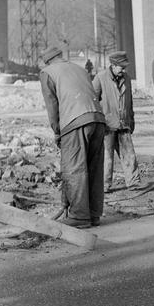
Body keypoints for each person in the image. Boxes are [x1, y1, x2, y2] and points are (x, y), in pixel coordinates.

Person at [39, 45, 105, 228]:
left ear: (47, 61)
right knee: (94, 169)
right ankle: (93, 214)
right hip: (98, 119)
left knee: (74, 169)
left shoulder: (47, 72)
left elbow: (52, 105)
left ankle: (79, 217)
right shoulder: (80, 69)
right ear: (61, 56)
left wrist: (57, 131)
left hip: (75, 122)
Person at [92, 51, 144, 192]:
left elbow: (129, 100)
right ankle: (104, 185)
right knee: (106, 157)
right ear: (113, 65)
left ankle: (133, 182)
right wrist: (97, 122)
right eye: (121, 67)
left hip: (123, 122)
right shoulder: (100, 78)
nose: (124, 70)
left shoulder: (126, 78)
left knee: (128, 154)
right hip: (107, 125)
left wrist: (131, 119)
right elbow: (92, 100)